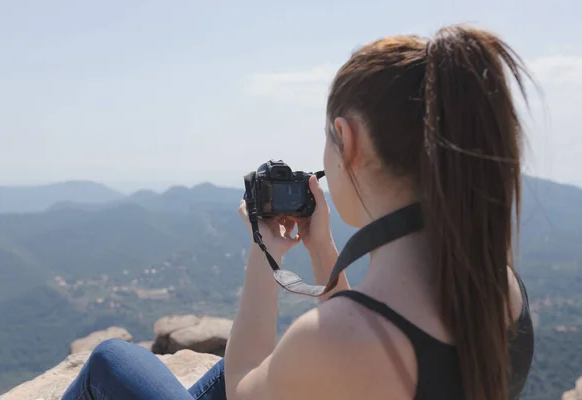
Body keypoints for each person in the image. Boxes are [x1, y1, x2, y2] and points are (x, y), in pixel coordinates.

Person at [62, 24, 535, 400]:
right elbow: (364, 328)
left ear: (345, 140)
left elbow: (244, 383)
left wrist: (262, 251)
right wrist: (322, 247)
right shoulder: (498, 283)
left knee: (111, 363)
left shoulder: (329, 343)